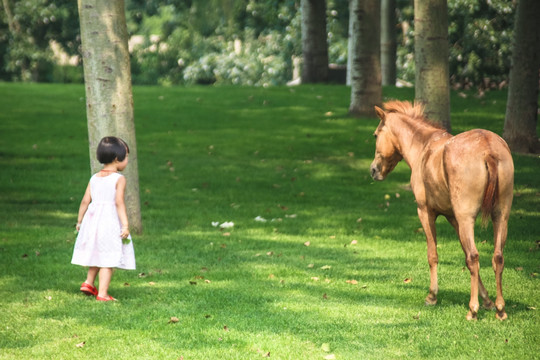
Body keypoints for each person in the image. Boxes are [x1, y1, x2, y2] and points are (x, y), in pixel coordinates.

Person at [71, 136, 136, 301]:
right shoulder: (119, 179)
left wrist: (79, 222)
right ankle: (102, 294)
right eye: (126, 156)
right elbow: (119, 202)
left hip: (92, 222)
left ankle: (88, 283)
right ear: (116, 158)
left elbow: (85, 201)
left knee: (96, 253)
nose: (127, 160)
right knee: (108, 258)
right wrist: (125, 225)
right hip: (109, 222)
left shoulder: (94, 178)